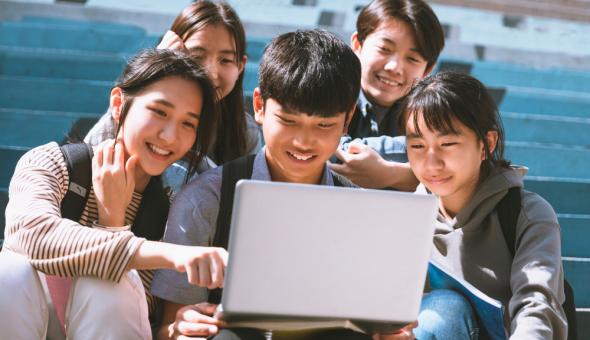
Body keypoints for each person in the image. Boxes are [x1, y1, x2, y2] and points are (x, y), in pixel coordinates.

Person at [150, 29, 416, 340]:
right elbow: (168, 326)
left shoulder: (360, 210)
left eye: (324, 125)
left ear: (347, 121)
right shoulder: (207, 199)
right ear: (260, 106)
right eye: (288, 121)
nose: (304, 141)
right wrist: (180, 328)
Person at [0, 49, 229, 340]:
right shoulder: (52, 164)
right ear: (119, 103)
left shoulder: (171, 211)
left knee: (112, 284)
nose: (170, 136)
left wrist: (113, 222)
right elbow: (31, 235)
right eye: (159, 112)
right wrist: (170, 254)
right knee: (10, 272)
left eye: (188, 123)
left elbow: (138, 314)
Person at [398, 72, 567, 339]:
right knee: (435, 314)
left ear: (487, 143)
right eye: (417, 145)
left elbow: (536, 303)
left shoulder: (527, 213)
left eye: (448, 144)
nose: (431, 163)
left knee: (443, 311)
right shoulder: (407, 218)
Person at [85, 0, 261, 195]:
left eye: (226, 60)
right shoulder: (135, 114)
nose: (211, 73)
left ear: (241, 66)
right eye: (196, 56)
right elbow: (90, 155)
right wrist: (155, 68)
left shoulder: (245, 132)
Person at [330, 0, 445, 191]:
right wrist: (420, 160)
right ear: (357, 44)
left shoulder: (431, 113)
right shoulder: (328, 89)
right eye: (384, 49)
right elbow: (328, 150)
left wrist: (392, 174)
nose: (394, 67)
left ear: (427, 70)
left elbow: (464, 169)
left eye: (412, 59)